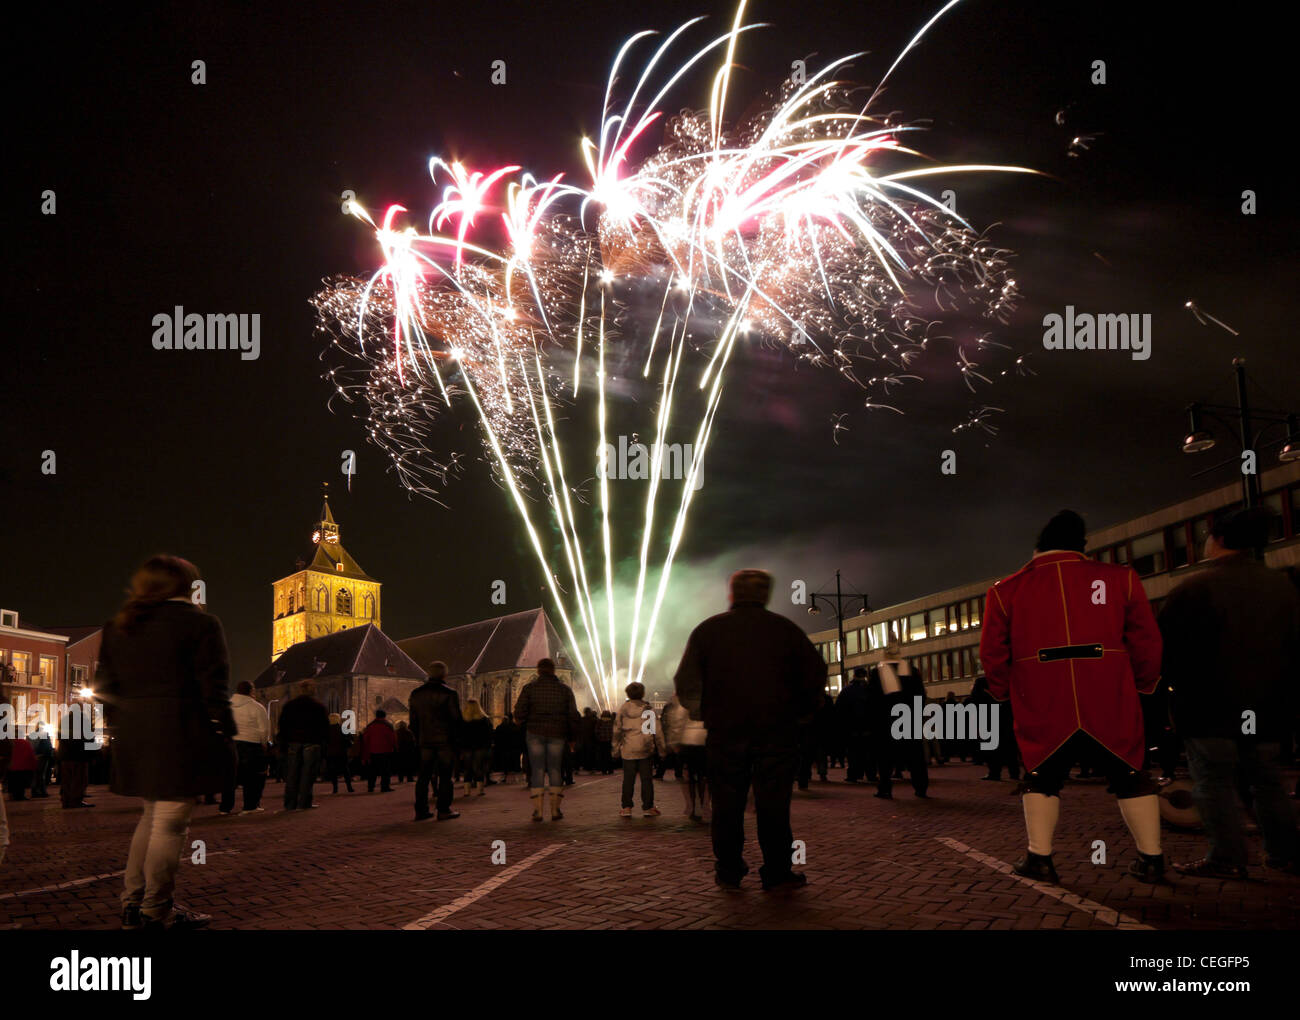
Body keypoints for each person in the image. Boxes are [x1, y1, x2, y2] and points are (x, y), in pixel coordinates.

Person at [980, 509, 1165, 884]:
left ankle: (1040, 857)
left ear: (1038, 547)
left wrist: (1001, 691)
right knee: (1130, 775)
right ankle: (1152, 857)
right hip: (1107, 688)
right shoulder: (1121, 579)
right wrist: (1143, 685)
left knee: (1042, 776)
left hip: (1042, 692)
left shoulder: (1005, 591)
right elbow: (1147, 642)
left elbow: (992, 654)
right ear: (1082, 545)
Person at [1158, 507, 1300, 878]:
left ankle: (1228, 858)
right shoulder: (1282, 587)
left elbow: (1168, 652)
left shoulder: (1195, 589)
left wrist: (1175, 695)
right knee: (1267, 781)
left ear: (1218, 540)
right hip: (1267, 707)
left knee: (1213, 782)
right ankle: (1285, 852)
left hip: (1210, 708)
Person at [97, 554, 234, 930]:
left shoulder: (119, 626)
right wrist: (223, 732)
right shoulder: (200, 623)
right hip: (180, 733)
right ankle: (156, 910)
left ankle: (132, 902)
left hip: (137, 736)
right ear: (187, 586)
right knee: (170, 826)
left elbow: (105, 690)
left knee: (150, 818)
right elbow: (214, 688)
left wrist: (124, 727)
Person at [674, 568, 826, 892]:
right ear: (765, 594)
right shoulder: (786, 630)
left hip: (726, 731)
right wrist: (799, 714)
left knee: (726, 805)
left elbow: (686, 682)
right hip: (777, 731)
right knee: (774, 805)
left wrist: (705, 712)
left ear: (732, 593)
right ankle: (776, 871)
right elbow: (815, 676)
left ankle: (729, 869)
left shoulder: (708, 631)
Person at [513, 658, 580, 821]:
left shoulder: (529, 688)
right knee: (556, 769)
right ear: (554, 670)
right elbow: (573, 715)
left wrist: (523, 722)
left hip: (535, 732)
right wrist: (572, 738)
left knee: (537, 770)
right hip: (557, 732)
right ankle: (556, 810)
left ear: (538, 671)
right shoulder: (564, 690)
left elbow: (519, 712)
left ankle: (538, 811)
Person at [866, 647, 930, 798]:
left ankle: (885, 788)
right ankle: (921, 787)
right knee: (915, 756)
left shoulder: (877, 672)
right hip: (908, 717)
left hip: (886, 720)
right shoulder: (912, 670)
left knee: (885, 758)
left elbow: (872, 699)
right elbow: (920, 695)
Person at [408, 662, 463, 821]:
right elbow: (456, 720)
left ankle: (421, 810)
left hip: (425, 741)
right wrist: (456, 741)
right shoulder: (449, 693)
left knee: (423, 777)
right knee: (446, 776)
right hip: (445, 741)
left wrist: (419, 737)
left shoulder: (416, 693)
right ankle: (444, 810)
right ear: (444, 675)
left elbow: (413, 721)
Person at [613, 681, 666, 817]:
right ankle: (648, 807)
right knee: (646, 780)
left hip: (628, 749)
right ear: (642, 693)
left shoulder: (623, 710)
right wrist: (661, 749)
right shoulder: (648, 710)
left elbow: (617, 731)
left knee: (628, 780)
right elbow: (656, 732)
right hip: (645, 748)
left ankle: (626, 807)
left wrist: (615, 748)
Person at [276, 681, 330, 811]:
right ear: (312, 691)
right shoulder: (318, 707)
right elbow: (324, 728)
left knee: (292, 774)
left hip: (293, 742)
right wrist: (323, 746)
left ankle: (290, 804)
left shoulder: (289, 706)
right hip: (312, 742)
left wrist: (283, 744)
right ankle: (304, 803)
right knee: (308, 774)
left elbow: (282, 726)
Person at [221, 680, 269, 814]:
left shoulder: (228, 706)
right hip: (251, 745)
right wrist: (263, 743)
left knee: (230, 777)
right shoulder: (257, 707)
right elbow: (264, 729)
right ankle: (250, 805)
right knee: (252, 777)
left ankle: (225, 807)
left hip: (231, 743)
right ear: (251, 691)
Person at [663, 693, 709, 820]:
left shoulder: (683, 704)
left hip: (688, 742)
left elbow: (677, 724)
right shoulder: (707, 700)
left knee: (688, 776)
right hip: (704, 741)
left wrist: (673, 743)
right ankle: (705, 804)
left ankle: (692, 805)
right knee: (704, 777)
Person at [836, 667, 873, 783]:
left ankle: (853, 774)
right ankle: (870, 774)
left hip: (851, 728)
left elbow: (839, 710)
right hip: (867, 727)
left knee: (853, 753)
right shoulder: (870, 690)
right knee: (868, 753)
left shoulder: (846, 691)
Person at [57, 701, 95, 809]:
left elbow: (60, 737)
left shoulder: (64, 720)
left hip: (65, 756)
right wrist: (92, 754)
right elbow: (89, 738)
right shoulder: (84, 720)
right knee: (79, 780)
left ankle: (66, 801)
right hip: (80, 755)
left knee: (67, 780)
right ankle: (76, 801)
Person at [460, 699, 493, 797]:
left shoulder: (463, 720)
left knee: (467, 768)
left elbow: (459, 735)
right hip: (480, 747)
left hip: (467, 747)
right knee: (479, 767)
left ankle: (467, 791)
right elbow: (489, 734)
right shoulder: (484, 720)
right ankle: (480, 790)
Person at [360, 709, 398, 793]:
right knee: (385, 771)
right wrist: (394, 747)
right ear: (384, 716)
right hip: (385, 751)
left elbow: (365, 740)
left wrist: (366, 753)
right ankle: (384, 787)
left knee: (372, 771)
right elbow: (393, 739)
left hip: (373, 751)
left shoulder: (370, 726)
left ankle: (371, 787)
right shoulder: (388, 726)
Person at [324, 713, 354, 794]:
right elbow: (350, 739)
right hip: (341, 752)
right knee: (345, 770)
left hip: (330, 753)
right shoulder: (342, 728)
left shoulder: (326, 730)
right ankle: (349, 787)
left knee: (333, 771)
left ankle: (335, 788)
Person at [3, 731, 36, 800]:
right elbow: (31, 754)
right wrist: (33, 765)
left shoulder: (10, 743)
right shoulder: (25, 743)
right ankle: (20, 796)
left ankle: (13, 796)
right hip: (23, 767)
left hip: (12, 767)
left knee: (13, 782)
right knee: (21, 783)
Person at [493, 715, 523, 782]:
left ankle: (506, 775)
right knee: (514, 763)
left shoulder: (500, 727)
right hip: (512, 747)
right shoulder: (514, 727)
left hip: (504, 748)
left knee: (505, 762)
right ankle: (515, 777)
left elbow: (496, 738)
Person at [29, 725, 53, 798]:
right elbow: (48, 747)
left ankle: (34, 791)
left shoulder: (31, 736)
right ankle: (42, 791)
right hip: (42, 757)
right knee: (41, 775)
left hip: (34, 757)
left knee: (35, 774)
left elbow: (30, 746)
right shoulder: (44, 735)